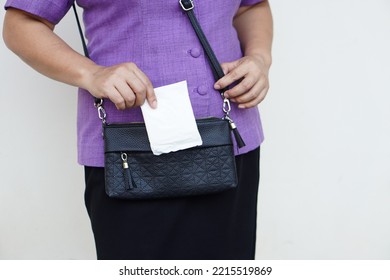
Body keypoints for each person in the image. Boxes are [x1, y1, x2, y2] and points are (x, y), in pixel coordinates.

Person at [3, 0, 273, 260]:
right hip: (129, 154)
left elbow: (251, 6)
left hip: (231, 141)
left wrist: (260, 58)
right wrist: (91, 74)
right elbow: (21, 23)